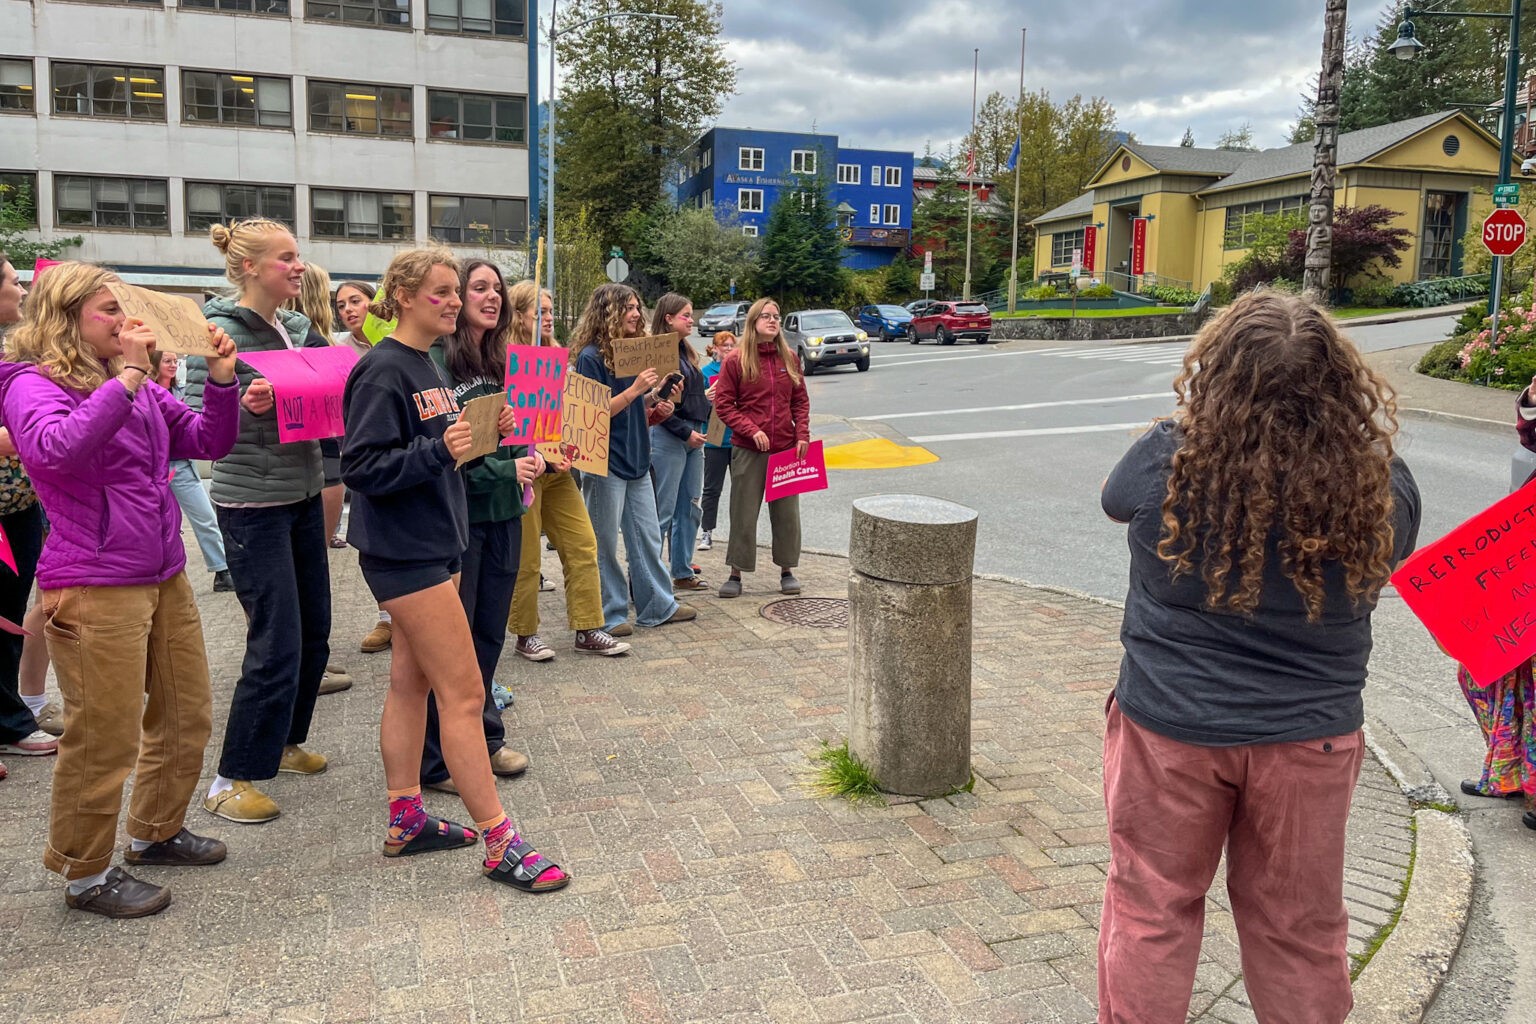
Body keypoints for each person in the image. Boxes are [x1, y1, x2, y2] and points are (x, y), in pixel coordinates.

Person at [1095, 291, 1422, 1022]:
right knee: (1299, 928)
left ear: (1218, 374)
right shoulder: (1378, 483)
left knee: (1151, 907)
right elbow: (1394, 552)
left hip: (1170, 729)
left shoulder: (1169, 459)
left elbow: (1116, 500)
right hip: (1311, 738)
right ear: (1339, 385)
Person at [0, 260, 241, 917]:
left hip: (160, 572)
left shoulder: (119, 378)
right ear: (66, 316)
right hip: (93, 581)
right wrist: (131, 377)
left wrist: (222, 382)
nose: (123, 320)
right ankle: (84, 875)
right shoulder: (31, 384)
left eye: (120, 307)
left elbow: (203, 442)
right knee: (103, 737)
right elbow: (53, 452)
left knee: (186, 713)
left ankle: (155, 831)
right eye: (107, 310)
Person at [341, 246, 567, 892]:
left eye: (453, 291)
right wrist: (438, 448)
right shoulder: (383, 370)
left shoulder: (424, 366)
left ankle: (406, 816)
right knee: (466, 696)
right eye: (438, 292)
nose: (451, 301)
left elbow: (452, 446)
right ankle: (501, 842)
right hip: (406, 556)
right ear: (404, 297)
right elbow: (361, 467)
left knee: (410, 685)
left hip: (430, 548)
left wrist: (493, 432)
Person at [185, 218, 333, 825]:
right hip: (252, 505)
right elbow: (197, 428)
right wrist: (246, 407)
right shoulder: (216, 333)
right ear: (248, 267)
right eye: (285, 258)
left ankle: (285, 741)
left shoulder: (298, 328)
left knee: (316, 630)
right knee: (275, 641)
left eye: (299, 257)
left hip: (301, 493)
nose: (298, 267)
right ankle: (229, 778)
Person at [418, 260, 541, 794]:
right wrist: (503, 467)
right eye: (479, 288)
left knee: (489, 632)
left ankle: (484, 738)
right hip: (461, 519)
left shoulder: (504, 359)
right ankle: (435, 757)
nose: (491, 297)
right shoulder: (439, 363)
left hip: (505, 514)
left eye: (497, 289)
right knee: (452, 644)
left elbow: (512, 433)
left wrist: (528, 456)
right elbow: (451, 454)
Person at [506, 282, 629, 661]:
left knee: (581, 543)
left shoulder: (558, 354)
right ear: (520, 315)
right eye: (539, 311)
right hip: (525, 469)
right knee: (527, 558)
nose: (547, 317)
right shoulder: (505, 356)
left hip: (558, 469)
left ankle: (588, 626)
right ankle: (526, 634)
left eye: (550, 309)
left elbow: (572, 413)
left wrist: (569, 449)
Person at [573, 283, 697, 633]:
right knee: (606, 542)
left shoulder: (631, 352)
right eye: (627, 307)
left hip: (637, 457)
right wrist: (635, 391)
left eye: (637, 306)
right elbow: (593, 413)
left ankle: (657, 605)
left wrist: (657, 398)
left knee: (646, 536)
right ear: (607, 311)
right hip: (605, 462)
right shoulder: (590, 357)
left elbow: (632, 407)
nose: (635, 313)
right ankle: (610, 615)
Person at [1462, 374, 1536, 823]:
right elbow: (1531, 440)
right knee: (1483, 671)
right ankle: (1509, 770)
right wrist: (1530, 399)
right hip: (1525, 563)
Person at [0, 251, 56, 777]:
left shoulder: (14, 350)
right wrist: (35, 434)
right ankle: (12, 721)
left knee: (12, 616)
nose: (21, 292)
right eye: (13, 283)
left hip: (20, 506)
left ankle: (13, 712)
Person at [712, 298, 809, 598]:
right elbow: (724, 405)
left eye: (776, 316)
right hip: (748, 449)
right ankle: (736, 573)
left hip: (784, 448)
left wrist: (802, 433)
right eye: (766, 316)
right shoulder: (736, 360)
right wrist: (751, 430)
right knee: (743, 511)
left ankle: (787, 569)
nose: (773, 321)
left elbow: (800, 400)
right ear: (753, 322)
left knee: (787, 513)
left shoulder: (789, 357)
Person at [334, 278, 394, 654]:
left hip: (398, 449)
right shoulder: (337, 348)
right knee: (371, 535)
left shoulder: (394, 341)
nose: (348, 310)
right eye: (341, 305)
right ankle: (387, 617)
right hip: (360, 451)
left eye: (355, 301)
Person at [150, 350, 234, 594]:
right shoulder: (146, 393)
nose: (173, 365)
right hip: (157, 467)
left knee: (204, 515)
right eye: (167, 361)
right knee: (161, 523)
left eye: (175, 361)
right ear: (155, 364)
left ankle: (222, 569)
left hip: (180, 465)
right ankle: (165, 575)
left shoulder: (181, 392)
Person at [648, 294, 710, 591]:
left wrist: (706, 402)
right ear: (668, 318)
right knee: (663, 509)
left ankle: (682, 569)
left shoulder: (686, 351)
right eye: (685, 315)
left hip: (693, 434)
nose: (691, 319)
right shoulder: (659, 352)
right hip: (670, 434)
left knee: (689, 506)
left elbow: (690, 397)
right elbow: (656, 404)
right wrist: (686, 432)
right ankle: (648, 576)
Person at [698, 331, 737, 552]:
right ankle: (707, 532)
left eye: (732, 345)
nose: (729, 349)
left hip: (738, 438)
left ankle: (737, 533)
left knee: (740, 490)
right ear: (713, 348)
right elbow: (695, 405)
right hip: (714, 438)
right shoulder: (706, 373)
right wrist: (706, 396)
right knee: (712, 489)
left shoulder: (740, 369)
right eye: (724, 346)